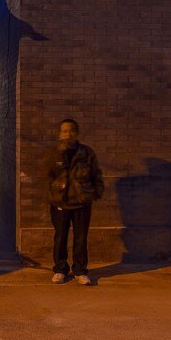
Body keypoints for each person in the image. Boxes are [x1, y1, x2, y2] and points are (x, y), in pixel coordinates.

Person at [46, 118, 104, 285]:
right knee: (60, 237)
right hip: (60, 202)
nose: (68, 133)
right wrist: (52, 197)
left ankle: (80, 270)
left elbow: (96, 175)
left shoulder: (86, 153)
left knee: (80, 238)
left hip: (81, 202)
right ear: (60, 133)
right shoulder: (54, 153)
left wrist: (94, 194)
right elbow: (47, 177)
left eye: (71, 130)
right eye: (64, 130)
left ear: (76, 133)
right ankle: (60, 269)